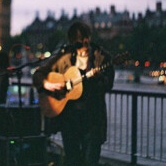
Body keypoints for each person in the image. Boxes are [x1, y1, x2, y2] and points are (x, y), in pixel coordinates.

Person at [33, 21, 115, 166]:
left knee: (90, 160)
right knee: (72, 160)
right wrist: (48, 84)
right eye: (79, 42)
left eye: (86, 39)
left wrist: (100, 77)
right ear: (72, 42)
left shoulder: (102, 57)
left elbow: (109, 84)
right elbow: (39, 74)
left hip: (93, 119)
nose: (85, 44)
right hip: (70, 120)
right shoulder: (64, 57)